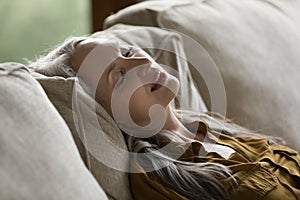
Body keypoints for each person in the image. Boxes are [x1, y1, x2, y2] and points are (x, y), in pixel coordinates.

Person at [29, 36, 300, 200]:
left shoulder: (211, 126)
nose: (143, 63)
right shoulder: (155, 180)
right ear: (107, 114)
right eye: (120, 76)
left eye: (127, 52)